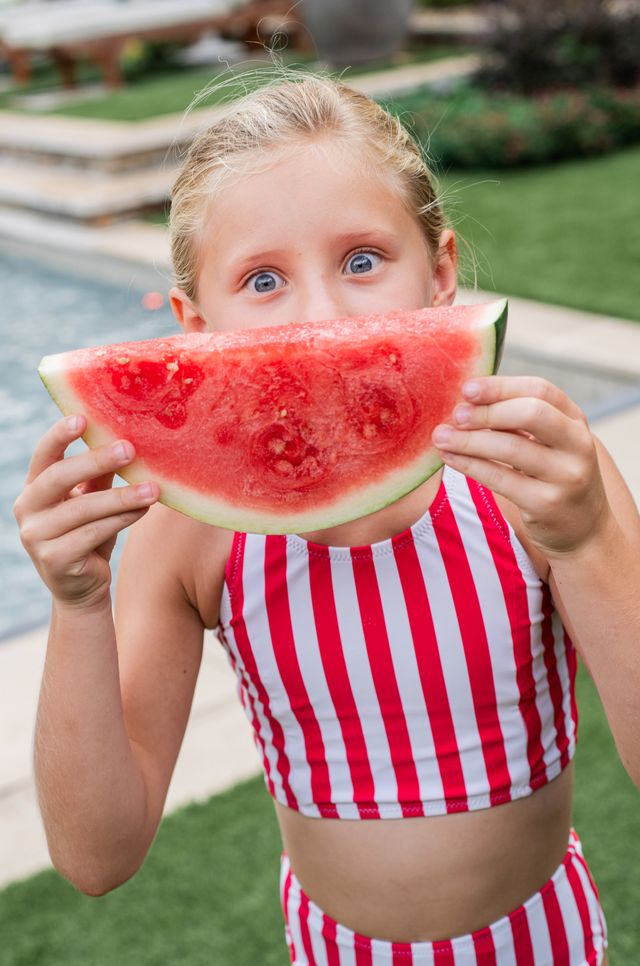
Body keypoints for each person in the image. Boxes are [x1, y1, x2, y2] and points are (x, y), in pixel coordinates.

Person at [15, 71, 637, 965]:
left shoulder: (532, 476)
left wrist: (587, 539)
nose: (321, 317)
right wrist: (76, 607)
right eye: (263, 279)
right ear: (196, 326)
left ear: (441, 275)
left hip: (542, 938)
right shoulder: (189, 535)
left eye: (361, 261)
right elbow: (96, 856)